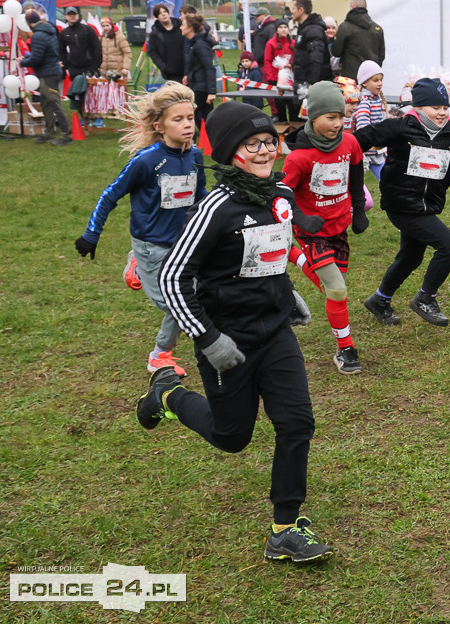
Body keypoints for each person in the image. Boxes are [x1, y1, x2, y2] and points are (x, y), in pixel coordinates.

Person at [145, 100, 333, 562]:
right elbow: (173, 277)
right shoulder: (215, 208)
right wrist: (208, 339)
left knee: (297, 423)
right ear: (232, 152)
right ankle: (166, 394)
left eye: (270, 140)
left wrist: (286, 296)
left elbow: (269, 251)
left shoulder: (279, 196)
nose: (266, 149)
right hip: (226, 339)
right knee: (233, 437)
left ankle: (284, 528)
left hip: (274, 334)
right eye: (254, 143)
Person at [74, 82, 205, 376]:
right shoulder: (146, 161)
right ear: (159, 126)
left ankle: (163, 352)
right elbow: (110, 195)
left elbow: (200, 198)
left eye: (190, 118)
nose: (187, 125)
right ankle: (159, 354)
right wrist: (91, 234)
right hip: (152, 245)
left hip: (182, 243)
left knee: (189, 298)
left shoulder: (195, 157)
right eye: (178, 119)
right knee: (178, 304)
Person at [354, 78, 450, 327]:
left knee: (411, 257)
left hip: (427, 205)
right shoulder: (399, 128)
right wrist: (333, 152)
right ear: (418, 107)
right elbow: (360, 139)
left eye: (445, 107)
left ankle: (380, 299)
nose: (441, 113)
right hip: (401, 204)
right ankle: (425, 297)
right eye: (435, 107)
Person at [282, 82, 368, 374]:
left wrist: (358, 212)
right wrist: (299, 219)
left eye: (341, 117)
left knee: (332, 288)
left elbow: (356, 176)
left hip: (339, 228)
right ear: (313, 116)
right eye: (331, 117)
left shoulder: (350, 143)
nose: (338, 123)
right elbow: (282, 193)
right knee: (337, 290)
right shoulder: (298, 157)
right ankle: (346, 349)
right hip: (311, 231)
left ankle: (293, 256)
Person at [19, 10, 72, 145]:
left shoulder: (38, 36)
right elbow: (45, 54)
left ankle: (66, 135)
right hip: (50, 71)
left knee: (54, 103)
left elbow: (37, 59)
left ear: (29, 23)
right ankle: (49, 132)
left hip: (48, 74)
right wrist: (27, 57)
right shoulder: (50, 31)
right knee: (46, 103)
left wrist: (22, 61)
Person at [57, 6, 102, 124]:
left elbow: (97, 49)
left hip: (90, 67)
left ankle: (97, 117)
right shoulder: (64, 33)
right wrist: (66, 65)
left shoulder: (88, 30)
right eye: (69, 14)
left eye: (74, 14)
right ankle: (83, 116)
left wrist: (95, 66)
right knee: (77, 93)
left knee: (92, 94)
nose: (72, 16)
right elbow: (61, 51)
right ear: (65, 16)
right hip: (74, 68)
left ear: (78, 15)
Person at [331, 0, 386, 82]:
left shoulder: (345, 27)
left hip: (351, 79)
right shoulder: (377, 29)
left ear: (352, 7)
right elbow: (381, 56)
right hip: (371, 79)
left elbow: (336, 52)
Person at [181, 14, 217, 133]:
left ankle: (196, 138)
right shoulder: (194, 43)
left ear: (190, 28)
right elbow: (195, 64)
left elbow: (209, 67)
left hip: (202, 86)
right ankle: (210, 139)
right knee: (208, 115)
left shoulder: (200, 44)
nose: (180, 27)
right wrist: (188, 75)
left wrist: (211, 92)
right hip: (198, 83)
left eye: (183, 25)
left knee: (191, 112)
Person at [353, 59, 388, 179]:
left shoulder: (377, 100)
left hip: (378, 151)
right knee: (356, 182)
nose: (380, 83)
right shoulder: (364, 102)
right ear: (364, 82)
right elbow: (363, 128)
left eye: (381, 80)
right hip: (366, 152)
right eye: (375, 80)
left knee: (386, 179)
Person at [291, 0, 332, 91]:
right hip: (303, 82)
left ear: (301, 10)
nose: (291, 11)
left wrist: (312, 83)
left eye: (293, 8)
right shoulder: (304, 29)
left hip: (312, 86)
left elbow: (316, 59)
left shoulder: (313, 31)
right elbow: (303, 55)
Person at [263, 20, 300, 123]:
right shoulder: (271, 43)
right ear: (277, 30)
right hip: (276, 79)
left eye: (285, 27)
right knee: (280, 106)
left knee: (293, 106)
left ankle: (294, 126)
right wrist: (270, 77)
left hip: (291, 79)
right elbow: (267, 61)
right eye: (281, 27)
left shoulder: (293, 43)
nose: (284, 29)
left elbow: (297, 59)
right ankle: (282, 126)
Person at [148, 4, 185, 83]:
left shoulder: (181, 26)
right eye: (160, 13)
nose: (163, 14)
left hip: (187, 71)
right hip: (171, 73)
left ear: (169, 13)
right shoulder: (155, 33)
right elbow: (152, 52)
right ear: (157, 17)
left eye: (165, 11)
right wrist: (163, 67)